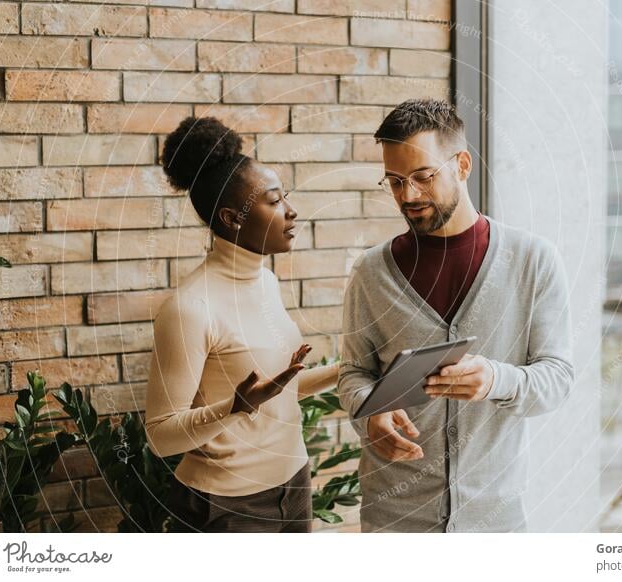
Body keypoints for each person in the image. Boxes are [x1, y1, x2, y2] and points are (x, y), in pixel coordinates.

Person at [338, 99, 575, 532]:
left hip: (494, 524)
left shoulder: (533, 260)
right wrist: (369, 412)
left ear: (462, 164)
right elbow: (353, 372)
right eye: (393, 181)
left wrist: (496, 379)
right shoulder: (371, 272)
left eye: (422, 177)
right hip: (395, 524)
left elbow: (558, 378)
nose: (408, 195)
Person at [145, 116, 338, 533]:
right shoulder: (190, 308)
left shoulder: (265, 281)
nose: (291, 210)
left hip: (294, 484)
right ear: (233, 218)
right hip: (225, 508)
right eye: (274, 201)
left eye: (285, 196)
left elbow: (271, 391)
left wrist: (349, 370)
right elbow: (161, 438)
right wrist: (236, 408)